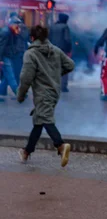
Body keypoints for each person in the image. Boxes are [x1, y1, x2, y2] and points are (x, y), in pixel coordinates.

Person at [16, 25, 74, 167]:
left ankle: (60, 145)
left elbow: (26, 78)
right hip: (54, 92)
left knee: (45, 119)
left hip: (43, 93)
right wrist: (55, 76)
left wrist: (21, 95)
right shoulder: (56, 50)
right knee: (39, 120)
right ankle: (27, 151)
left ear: (32, 38)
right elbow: (70, 65)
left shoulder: (31, 54)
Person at [0, 16, 23, 100]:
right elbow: (1, 46)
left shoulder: (11, 31)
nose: (18, 26)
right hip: (4, 56)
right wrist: (0, 59)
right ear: (12, 24)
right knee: (10, 74)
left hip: (7, 55)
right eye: (17, 24)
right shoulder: (6, 32)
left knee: (7, 75)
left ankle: (1, 90)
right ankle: (17, 92)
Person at [49, 13, 73, 92]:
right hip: (63, 50)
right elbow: (67, 39)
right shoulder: (65, 27)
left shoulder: (52, 26)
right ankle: (63, 86)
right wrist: (69, 50)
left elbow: (48, 39)